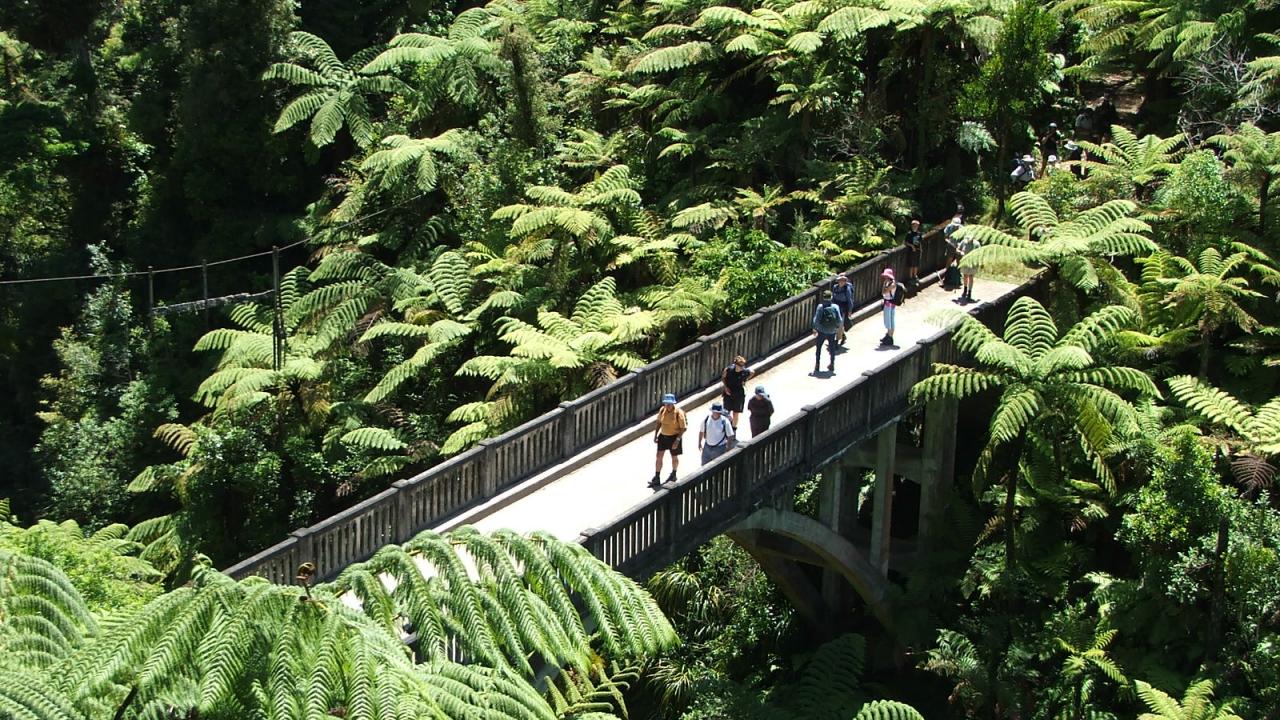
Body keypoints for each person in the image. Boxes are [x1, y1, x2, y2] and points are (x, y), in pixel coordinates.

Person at [651, 393, 686, 488]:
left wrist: (677, 440)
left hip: (674, 437)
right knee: (659, 456)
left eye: (669, 404)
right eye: (666, 403)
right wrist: (656, 435)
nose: (667, 406)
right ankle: (657, 476)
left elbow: (683, 428)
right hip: (663, 436)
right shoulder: (662, 410)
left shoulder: (679, 413)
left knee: (674, 457)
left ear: (673, 404)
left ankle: (674, 473)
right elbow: (658, 422)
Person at [811, 290, 841, 375]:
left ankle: (817, 364)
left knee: (819, 348)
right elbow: (839, 320)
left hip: (822, 331)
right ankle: (832, 364)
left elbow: (816, 320)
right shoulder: (835, 307)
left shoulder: (820, 307)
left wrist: (815, 328)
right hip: (832, 331)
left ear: (823, 298)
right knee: (832, 349)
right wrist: (836, 328)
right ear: (831, 297)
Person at [720, 355, 753, 428]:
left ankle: (734, 428)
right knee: (726, 412)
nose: (741, 367)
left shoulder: (744, 371)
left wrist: (745, 380)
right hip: (729, 392)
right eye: (740, 365)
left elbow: (752, 372)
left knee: (736, 413)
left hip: (739, 394)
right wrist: (725, 387)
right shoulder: (729, 370)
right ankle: (727, 426)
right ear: (736, 365)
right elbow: (723, 378)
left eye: (742, 365)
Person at [955, 231, 981, 302]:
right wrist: (960, 252)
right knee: (965, 276)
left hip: (973, 262)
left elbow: (980, 253)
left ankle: (969, 292)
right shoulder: (964, 242)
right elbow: (957, 249)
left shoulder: (976, 244)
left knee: (971, 276)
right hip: (965, 261)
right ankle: (965, 289)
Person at [830, 273, 855, 345]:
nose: (841, 282)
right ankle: (842, 336)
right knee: (835, 324)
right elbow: (833, 298)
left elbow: (849, 300)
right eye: (840, 280)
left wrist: (850, 310)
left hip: (843, 309)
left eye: (843, 280)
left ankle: (837, 340)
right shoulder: (835, 287)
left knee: (840, 324)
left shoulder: (847, 289)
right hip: (835, 308)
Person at [879, 268, 899, 347]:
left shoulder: (892, 284)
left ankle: (890, 337)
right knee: (889, 320)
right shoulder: (888, 283)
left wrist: (884, 286)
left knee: (889, 321)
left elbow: (884, 292)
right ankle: (888, 335)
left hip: (889, 304)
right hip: (888, 303)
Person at [904, 219, 923, 288]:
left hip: (917, 251)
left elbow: (920, 242)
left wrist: (921, 249)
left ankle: (915, 276)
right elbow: (906, 242)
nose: (916, 227)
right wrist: (912, 246)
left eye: (917, 225)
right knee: (911, 264)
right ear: (912, 226)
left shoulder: (919, 233)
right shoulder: (909, 234)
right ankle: (910, 277)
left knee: (916, 264)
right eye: (914, 225)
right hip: (911, 251)